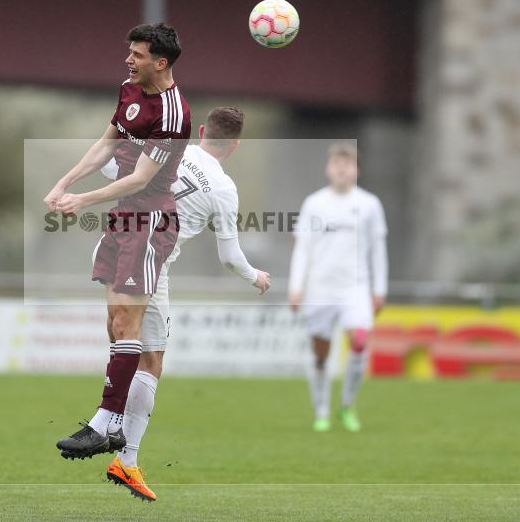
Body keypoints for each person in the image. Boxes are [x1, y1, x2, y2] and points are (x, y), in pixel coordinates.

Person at [101, 106, 271, 501]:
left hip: (114, 247)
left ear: (200, 131)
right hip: (150, 265)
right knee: (150, 360)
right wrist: (255, 276)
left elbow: (113, 171)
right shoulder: (224, 189)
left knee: (122, 345)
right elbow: (229, 256)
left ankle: (108, 427)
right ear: (236, 145)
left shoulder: (171, 149)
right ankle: (123, 454)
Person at [45, 23, 190, 461]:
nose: (129, 60)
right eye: (129, 52)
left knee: (127, 326)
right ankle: (111, 428)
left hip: (149, 221)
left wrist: (82, 200)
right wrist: (64, 181)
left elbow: (143, 178)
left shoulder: (173, 113)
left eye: (138, 54)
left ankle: (105, 424)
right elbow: (107, 144)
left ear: (160, 62)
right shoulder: (129, 89)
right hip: (122, 216)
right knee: (116, 325)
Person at [288, 142, 388, 433]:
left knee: (359, 340)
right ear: (328, 169)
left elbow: (377, 250)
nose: (342, 169)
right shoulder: (314, 204)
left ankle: (346, 405)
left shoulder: (369, 205)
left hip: (355, 287)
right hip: (319, 288)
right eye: (337, 164)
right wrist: (297, 287)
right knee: (321, 352)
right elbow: (303, 249)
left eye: (348, 164)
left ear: (357, 170)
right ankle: (321, 410)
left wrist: (379, 289)